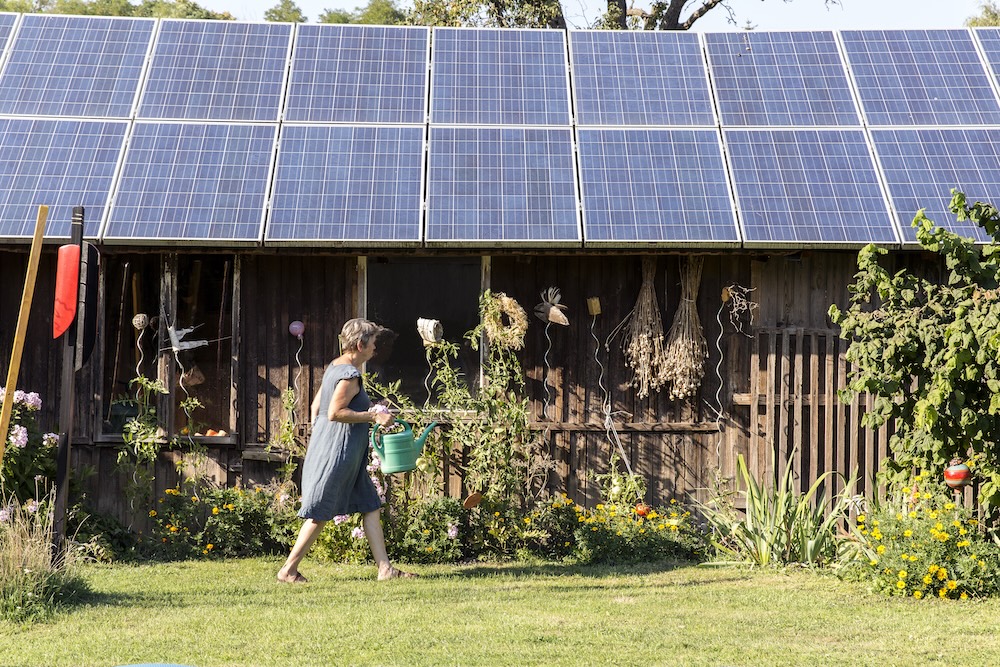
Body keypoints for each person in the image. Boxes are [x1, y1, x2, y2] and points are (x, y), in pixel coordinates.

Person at [277, 318, 415, 582]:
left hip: (339, 450)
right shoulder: (350, 375)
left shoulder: (335, 367)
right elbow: (335, 412)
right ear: (361, 344)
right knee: (320, 512)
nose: (376, 348)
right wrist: (373, 416)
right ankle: (288, 570)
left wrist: (323, 436)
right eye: (373, 343)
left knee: (370, 504)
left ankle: (385, 569)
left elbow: (317, 407)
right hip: (338, 454)